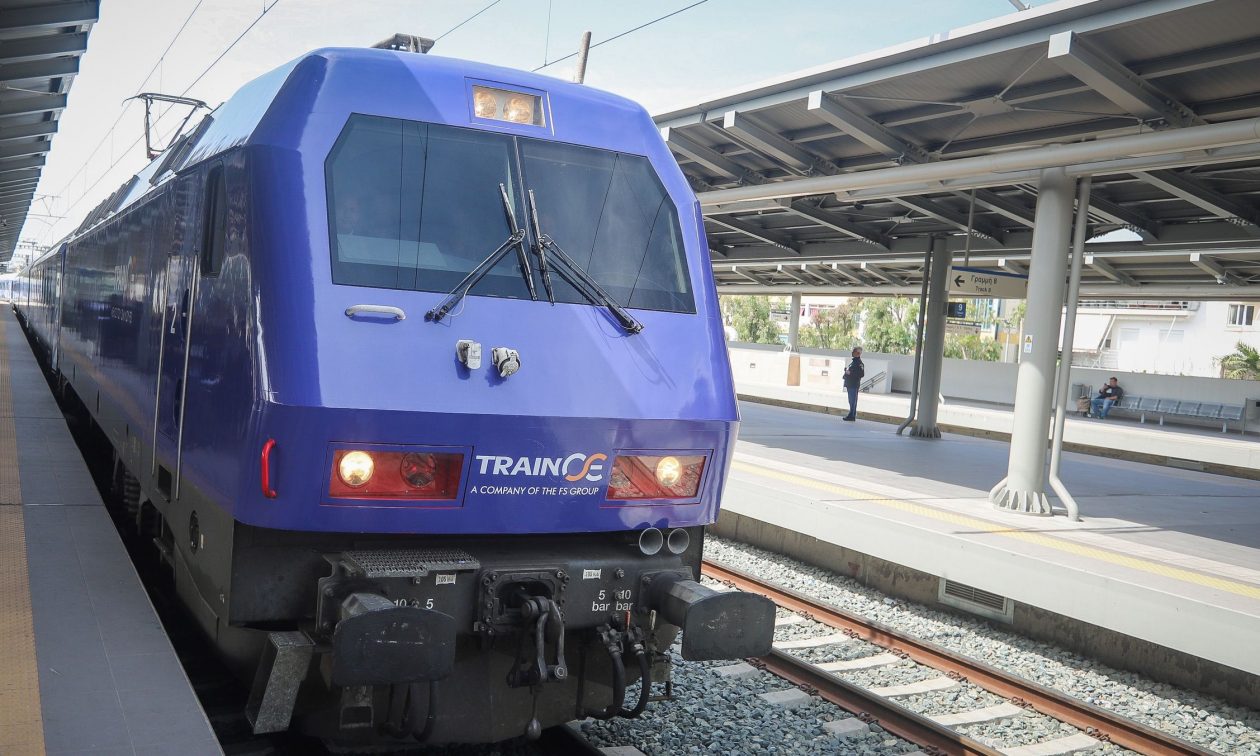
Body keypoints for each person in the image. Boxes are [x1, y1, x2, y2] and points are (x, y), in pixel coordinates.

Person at [842, 346, 864, 421]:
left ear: (858, 353)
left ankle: (851, 415)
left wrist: (850, 373)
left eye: (854, 351)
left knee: (852, 401)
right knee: (851, 400)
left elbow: (861, 374)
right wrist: (847, 371)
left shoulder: (859, 363)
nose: (852, 352)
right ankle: (851, 415)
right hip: (850, 384)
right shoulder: (854, 362)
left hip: (853, 384)